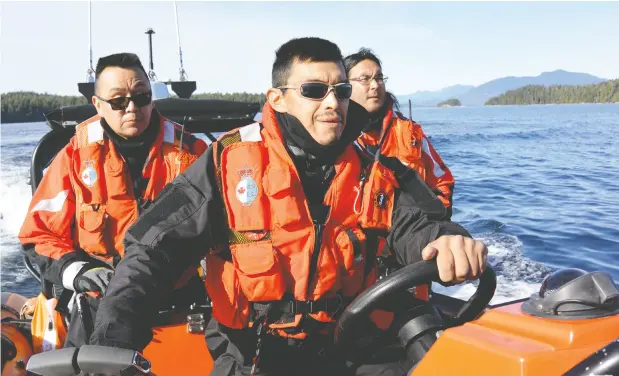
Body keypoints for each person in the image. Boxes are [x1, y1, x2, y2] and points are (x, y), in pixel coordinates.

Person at [89, 38, 488, 376]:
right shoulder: (226, 164)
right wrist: (113, 339)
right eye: (315, 90)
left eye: (342, 90)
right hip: (252, 353)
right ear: (277, 99)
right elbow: (152, 251)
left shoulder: (377, 170)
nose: (333, 102)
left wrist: (448, 241)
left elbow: (421, 222)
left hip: (347, 346)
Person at [18, 52, 207, 348]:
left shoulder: (192, 154)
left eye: (141, 97)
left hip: (181, 302)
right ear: (98, 104)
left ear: (151, 98)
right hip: (98, 302)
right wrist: (77, 270)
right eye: (118, 101)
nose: (132, 108)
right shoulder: (73, 158)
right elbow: (38, 234)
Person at [345, 48, 457, 284]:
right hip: (356, 262)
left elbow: (442, 180)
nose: (375, 85)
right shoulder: (335, 137)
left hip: (412, 251)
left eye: (378, 78)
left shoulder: (410, 132)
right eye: (364, 79)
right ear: (345, 86)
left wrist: (432, 219)